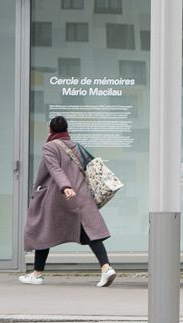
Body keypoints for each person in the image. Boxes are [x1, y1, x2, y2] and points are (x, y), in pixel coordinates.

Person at [20, 115, 116, 286]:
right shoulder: (76, 146)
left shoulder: (49, 147)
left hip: (58, 196)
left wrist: (65, 186)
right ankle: (106, 268)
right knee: (90, 231)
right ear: (67, 130)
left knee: (43, 231)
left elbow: (55, 169)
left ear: (50, 129)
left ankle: (37, 274)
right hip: (81, 195)